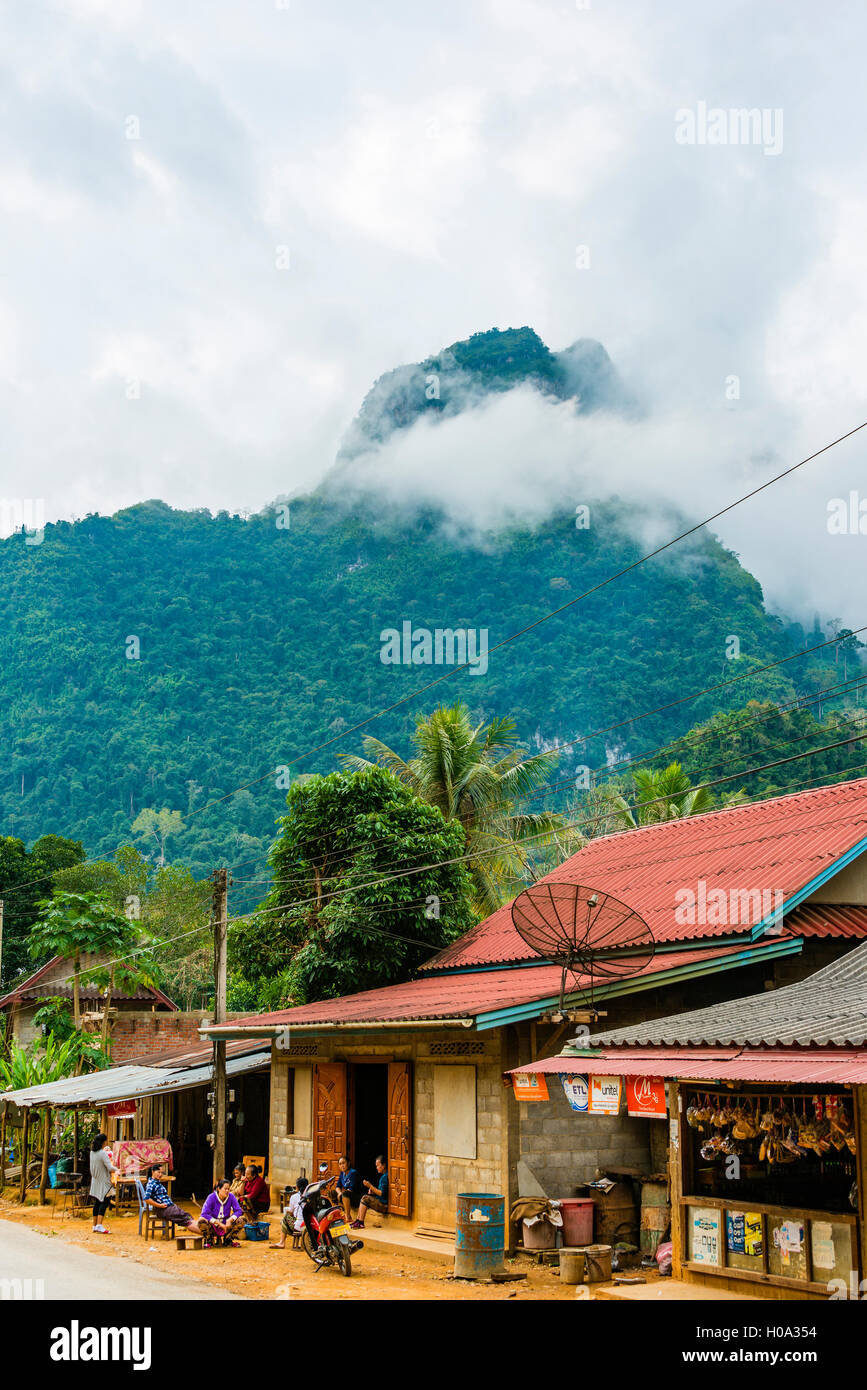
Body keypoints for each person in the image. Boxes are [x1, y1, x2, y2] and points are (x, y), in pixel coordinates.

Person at [143, 1162, 202, 1234]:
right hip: (163, 1209)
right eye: (158, 1172)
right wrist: (159, 1205)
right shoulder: (151, 1184)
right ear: (152, 1172)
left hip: (169, 1207)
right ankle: (205, 1233)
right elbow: (146, 1199)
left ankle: (204, 1230)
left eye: (162, 1172)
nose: (160, 1174)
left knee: (186, 1216)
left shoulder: (157, 1182)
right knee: (186, 1220)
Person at [89, 1133, 119, 1235]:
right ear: (103, 1142)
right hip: (104, 1181)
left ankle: (94, 1225)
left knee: (97, 1202)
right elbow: (110, 1168)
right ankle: (99, 1225)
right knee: (104, 1202)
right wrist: (118, 1170)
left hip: (95, 1180)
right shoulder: (102, 1153)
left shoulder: (92, 1153)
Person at [200, 1179, 245, 1247]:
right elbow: (204, 1214)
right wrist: (219, 1223)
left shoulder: (231, 1196)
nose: (227, 1191)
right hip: (213, 1226)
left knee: (242, 1219)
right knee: (201, 1220)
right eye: (225, 1189)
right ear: (219, 1189)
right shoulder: (211, 1197)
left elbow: (239, 1211)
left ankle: (228, 1240)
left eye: (228, 1189)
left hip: (227, 1226)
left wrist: (230, 1220)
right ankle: (209, 1240)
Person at [351, 1155, 388, 1229]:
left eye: (378, 1165)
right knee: (364, 1197)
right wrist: (373, 1192)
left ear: (383, 1165)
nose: (376, 1167)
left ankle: (360, 1222)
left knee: (365, 1198)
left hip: (384, 1205)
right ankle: (358, 1220)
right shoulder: (384, 1176)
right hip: (381, 1202)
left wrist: (370, 1186)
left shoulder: (385, 1177)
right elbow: (382, 1192)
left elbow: (381, 1193)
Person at [271, 1176, 308, 1249]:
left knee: (285, 1218)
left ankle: (282, 1242)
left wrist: (288, 1212)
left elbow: (291, 1212)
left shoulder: (294, 1197)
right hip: (309, 1226)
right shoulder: (310, 1196)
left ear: (297, 1187)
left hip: (299, 1227)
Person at [333, 1155, 361, 1221]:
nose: (342, 1165)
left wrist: (342, 1194)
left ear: (348, 1163)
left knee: (345, 1194)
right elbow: (337, 1187)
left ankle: (348, 1216)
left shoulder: (353, 1173)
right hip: (347, 1196)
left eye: (343, 1163)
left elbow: (351, 1189)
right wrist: (340, 1193)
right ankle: (337, 1215)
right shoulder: (342, 1174)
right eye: (340, 1164)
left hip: (357, 1197)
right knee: (332, 1193)